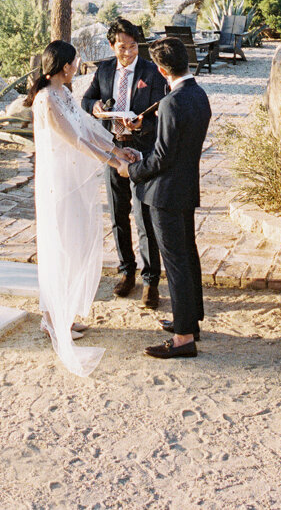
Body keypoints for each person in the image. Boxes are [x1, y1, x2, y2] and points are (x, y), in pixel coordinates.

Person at [27, 40, 138, 377]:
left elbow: (88, 128)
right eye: (75, 61)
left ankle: (64, 315)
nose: (79, 65)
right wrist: (110, 160)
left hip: (72, 181)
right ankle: (52, 320)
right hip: (58, 183)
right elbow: (73, 139)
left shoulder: (64, 93)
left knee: (75, 244)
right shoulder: (47, 99)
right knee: (60, 244)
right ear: (64, 67)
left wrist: (119, 150)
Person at [122, 36, 211, 359]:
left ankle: (184, 339)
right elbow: (176, 140)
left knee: (175, 264)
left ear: (161, 70)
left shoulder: (173, 101)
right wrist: (148, 127)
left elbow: (161, 157)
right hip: (185, 188)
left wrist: (131, 171)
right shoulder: (198, 95)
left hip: (166, 194)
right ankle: (190, 321)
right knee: (187, 257)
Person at [81, 18, 168, 308]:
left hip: (141, 151)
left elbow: (159, 110)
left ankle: (150, 280)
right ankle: (126, 272)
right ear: (111, 46)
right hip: (111, 149)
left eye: (133, 47)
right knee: (118, 215)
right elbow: (87, 99)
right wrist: (93, 107)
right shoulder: (104, 69)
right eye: (122, 47)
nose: (128, 53)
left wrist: (142, 123)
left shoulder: (152, 71)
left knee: (144, 216)